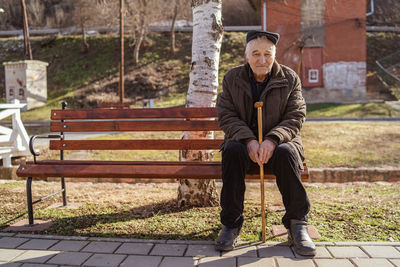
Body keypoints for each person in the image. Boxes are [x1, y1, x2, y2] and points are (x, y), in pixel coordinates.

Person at [215, 30, 316, 256]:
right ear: (247, 55)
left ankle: (297, 224)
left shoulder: (289, 78)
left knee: (286, 153)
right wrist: (249, 140)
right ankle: (231, 224)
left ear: (275, 55)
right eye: (256, 54)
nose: (262, 60)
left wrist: (272, 139)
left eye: (267, 54)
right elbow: (227, 116)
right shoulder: (232, 79)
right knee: (231, 150)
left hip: (280, 145)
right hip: (243, 147)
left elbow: (296, 116)